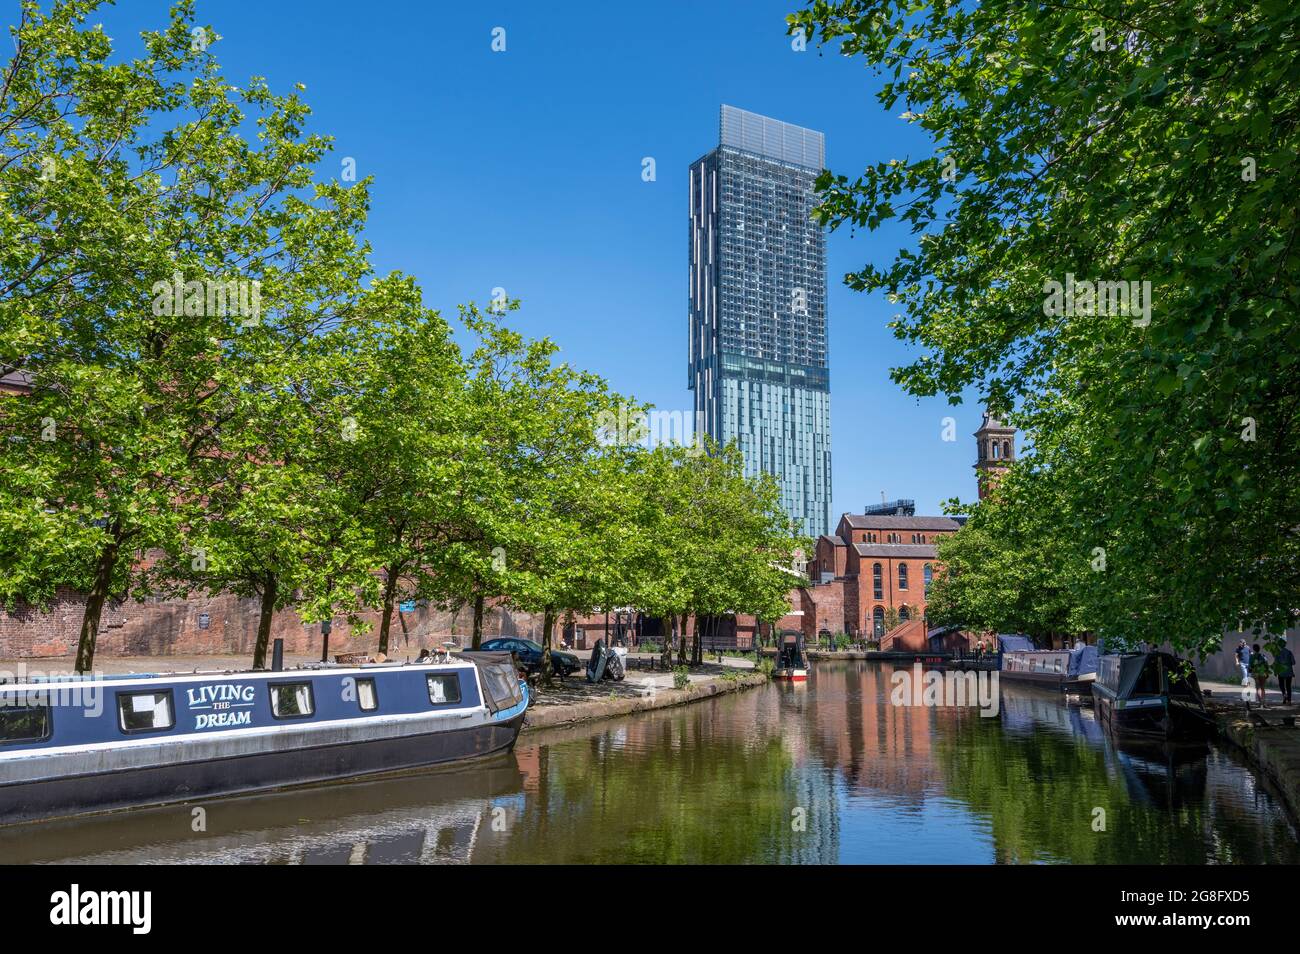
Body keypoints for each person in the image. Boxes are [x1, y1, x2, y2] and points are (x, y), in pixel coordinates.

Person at [1275, 638, 1295, 706]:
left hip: (1281, 671)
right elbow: (1293, 662)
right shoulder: (1289, 652)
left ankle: (1284, 695)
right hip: (1289, 671)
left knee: (1281, 685)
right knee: (1288, 686)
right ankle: (1289, 701)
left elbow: (1276, 663)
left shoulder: (1277, 653)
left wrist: (1276, 671)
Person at [1249, 643, 1269, 708]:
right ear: (1259, 649)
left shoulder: (1252, 656)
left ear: (1254, 649)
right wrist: (1267, 672)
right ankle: (1264, 702)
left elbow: (1250, 666)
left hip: (1255, 673)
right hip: (1262, 672)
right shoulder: (1263, 656)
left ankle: (1260, 703)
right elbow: (1266, 664)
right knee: (1263, 688)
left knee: (1258, 688)